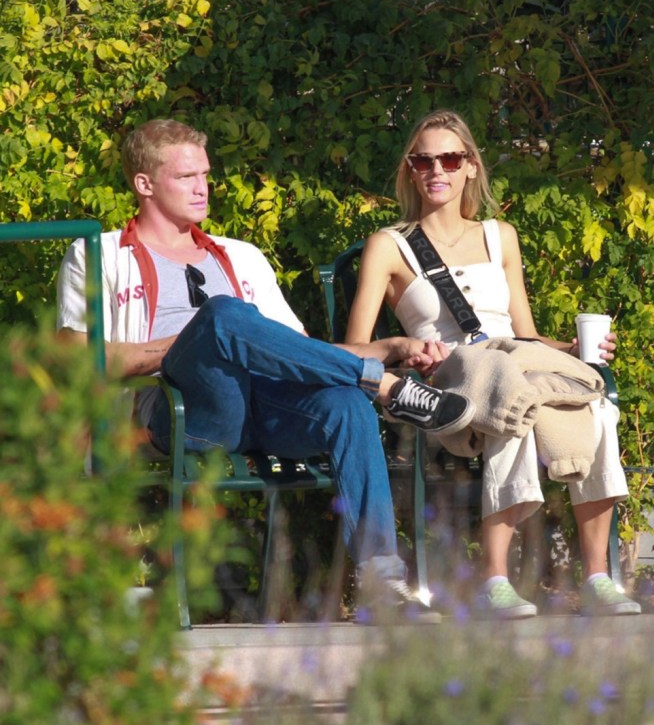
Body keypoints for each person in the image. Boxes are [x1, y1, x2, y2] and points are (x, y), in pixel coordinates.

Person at [56, 117, 475, 623]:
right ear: (144, 184)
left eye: (205, 175)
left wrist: (390, 344)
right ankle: (380, 385)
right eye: (186, 177)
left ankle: (382, 580)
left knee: (343, 404)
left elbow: (296, 351)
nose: (202, 187)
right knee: (223, 316)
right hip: (188, 412)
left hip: (270, 408)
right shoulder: (99, 254)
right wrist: (192, 341)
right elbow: (77, 358)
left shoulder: (242, 256)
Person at [346, 109, 641, 619]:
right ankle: (495, 580)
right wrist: (400, 347)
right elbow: (352, 350)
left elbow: (523, 335)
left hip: (512, 359)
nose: (436, 170)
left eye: (450, 158)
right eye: (423, 160)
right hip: (447, 378)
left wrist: (570, 351)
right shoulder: (388, 245)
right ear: (410, 170)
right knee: (509, 402)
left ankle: (597, 576)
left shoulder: (499, 235)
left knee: (596, 407)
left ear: (470, 167)